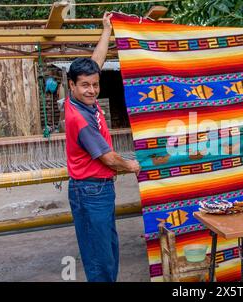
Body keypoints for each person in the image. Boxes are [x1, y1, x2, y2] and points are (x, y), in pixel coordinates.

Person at [65, 12, 140, 282]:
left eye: (95, 85)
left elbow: (96, 63)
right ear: (71, 85)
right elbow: (109, 159)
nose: (92, 90)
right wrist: (132, 165)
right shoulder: (80, 118)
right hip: (90, 191)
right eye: (85, 85)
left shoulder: (77, 99)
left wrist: (106, 30)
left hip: (98, 189)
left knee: (108, 248)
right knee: (100, 260)